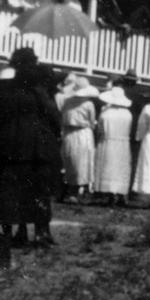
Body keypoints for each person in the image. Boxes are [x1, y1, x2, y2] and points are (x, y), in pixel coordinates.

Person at [0, 47, 61, 247]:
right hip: (38, 147)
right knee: (39, 190)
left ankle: (15, 230)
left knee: (12, 189)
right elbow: (54, 116)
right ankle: (41, 231)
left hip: (9, 146)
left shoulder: (3, 90)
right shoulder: (39, 91)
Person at [59, 76, 100, 204]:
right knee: (83, 162)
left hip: (69, 133)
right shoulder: (88, 104)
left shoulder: (67, 101)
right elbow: (91, 121)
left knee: (70, 161)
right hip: (83, 133)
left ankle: (70, 190)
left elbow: (63, 118)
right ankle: (79, 191)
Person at [93, 85, 134, 206]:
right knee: (121, 168)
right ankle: (121, 195)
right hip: (122, 143)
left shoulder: (105, 114)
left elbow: (100, 130)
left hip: (108, 141)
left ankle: (111, 196)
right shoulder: (128, 114)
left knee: (109, 167)